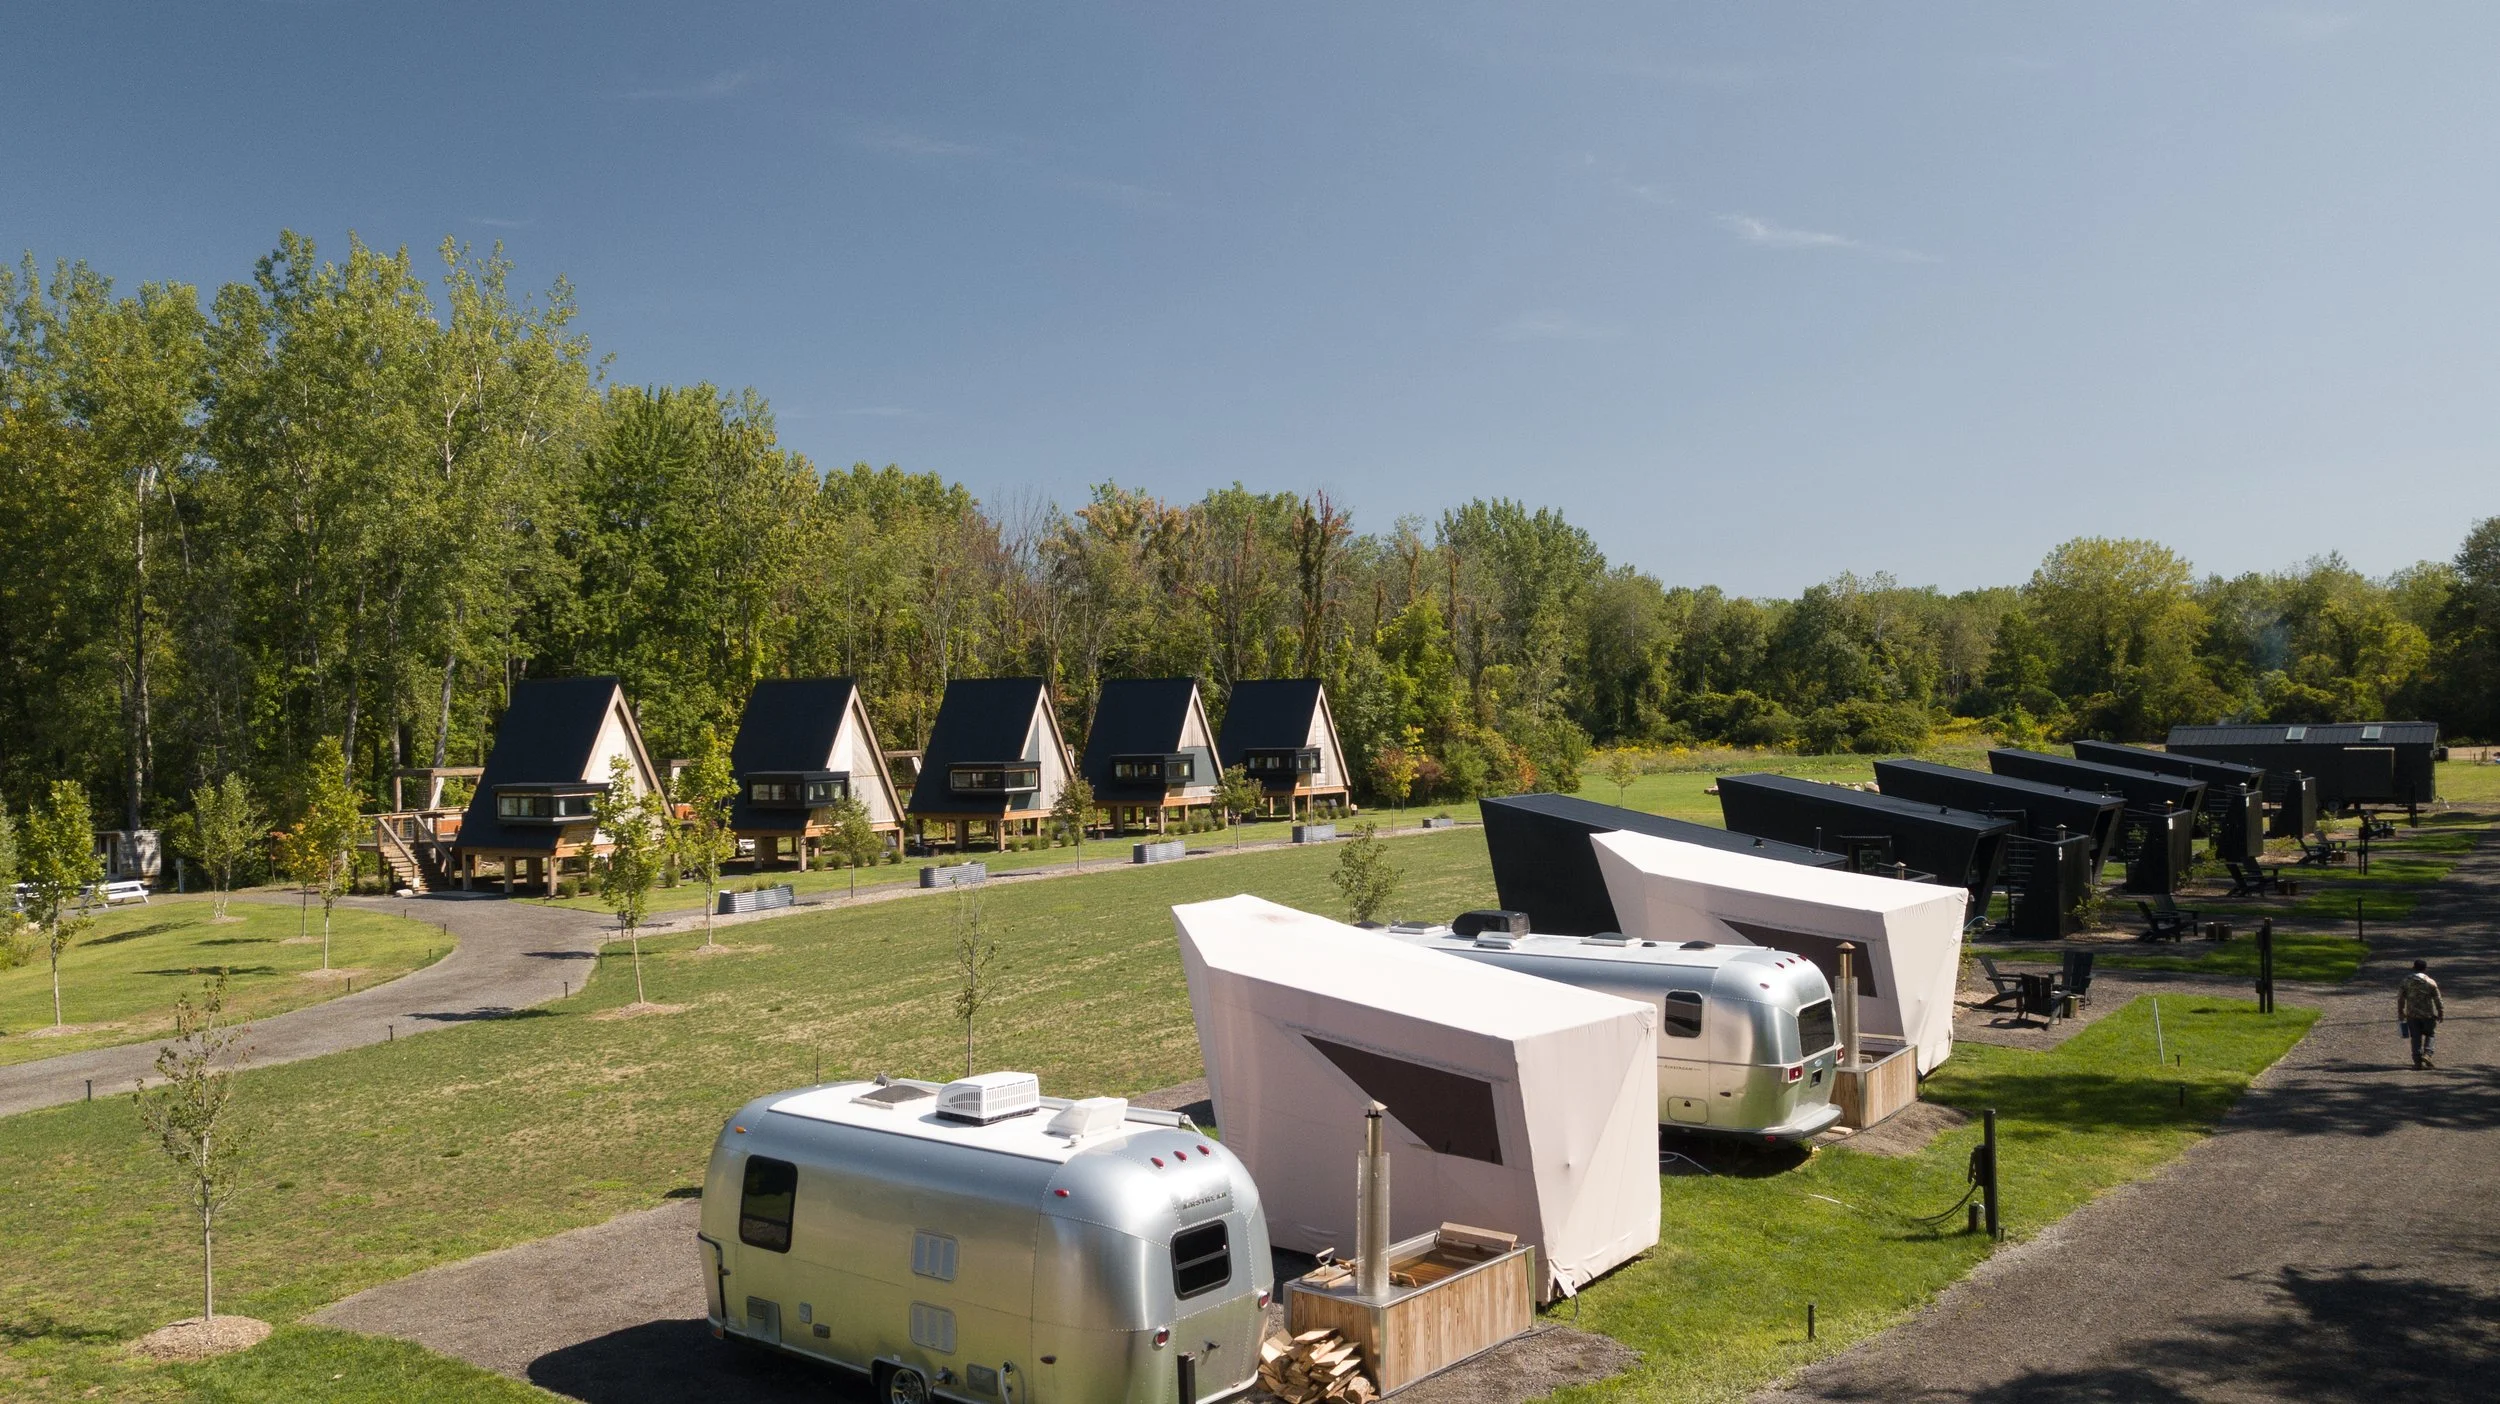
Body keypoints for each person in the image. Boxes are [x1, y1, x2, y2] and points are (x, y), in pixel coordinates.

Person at [2398, 959, 2444, 1069]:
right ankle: (2427, 1054)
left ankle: (2417, 1061)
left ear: (2413, 968)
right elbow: (2438, 999)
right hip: (2427, 1014)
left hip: (2412, 1014)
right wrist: (2441, 1012)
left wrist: (2400, 1011)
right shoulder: (2430, 982)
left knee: (2415, 1037)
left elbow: (2400, 998)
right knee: (2430, 1034)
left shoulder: (2406, 981)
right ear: (2425, 969)